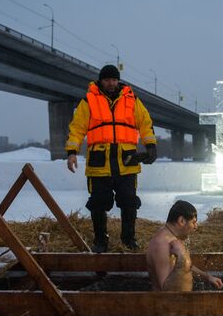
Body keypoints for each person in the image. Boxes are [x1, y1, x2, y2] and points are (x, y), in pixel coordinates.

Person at [66, 65, 157, 252]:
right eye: (107, 79)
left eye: (114, 79)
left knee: (129, 201)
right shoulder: (89, 100)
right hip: (100, 163)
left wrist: (151, 146)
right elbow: (77, 128)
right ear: (101, 80)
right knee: (98, 202)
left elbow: (145, 123)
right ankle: (100, 241)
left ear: (118, 80)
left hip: (127, 161)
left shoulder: (132, 99)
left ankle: (128, 240)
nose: (111, 83)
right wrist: (72, 152)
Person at [146, 200, 223, 291]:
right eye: (193, 222)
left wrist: (208, 277)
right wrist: (182, 257)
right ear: (181, 221)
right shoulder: (162, 245)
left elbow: (184, 267)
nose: (196, 226)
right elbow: (167, 290)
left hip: (182, 301)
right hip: (169, 304)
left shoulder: (173, 238)